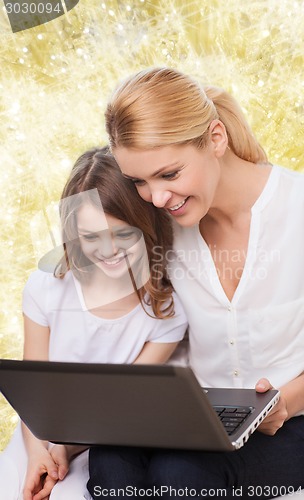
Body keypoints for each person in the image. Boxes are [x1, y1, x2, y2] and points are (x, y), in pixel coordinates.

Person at [87, 67, 304, 499]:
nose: (156, 198)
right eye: (139, 182)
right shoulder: (163, 228)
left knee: (179, 471)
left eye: (169, 174)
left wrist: (287, 400)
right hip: (194, 415)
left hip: (290, 421)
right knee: (110, 458)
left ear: (216, 138)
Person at [0, 147, 188, 500]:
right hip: (38, 437)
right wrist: (40, 450)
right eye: (91, 238)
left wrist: (66, 451)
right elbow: (32, 394)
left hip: (102, 442)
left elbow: (119, 409)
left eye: (122, 235)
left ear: (146, 225)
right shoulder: (46, 290)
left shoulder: (165, 312)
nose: (108, 250)